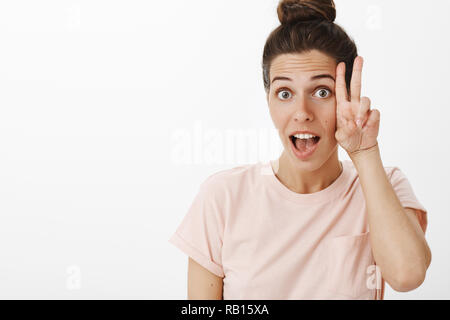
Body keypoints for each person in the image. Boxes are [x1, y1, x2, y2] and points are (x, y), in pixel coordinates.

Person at [169, 0, 431, 300]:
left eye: (322, 92)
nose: (302, 111)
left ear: (347, 97)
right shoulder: (223, 196)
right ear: (268, 99)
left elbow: (407, 276)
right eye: (285, 93)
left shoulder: (384, 185)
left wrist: (365, 152)